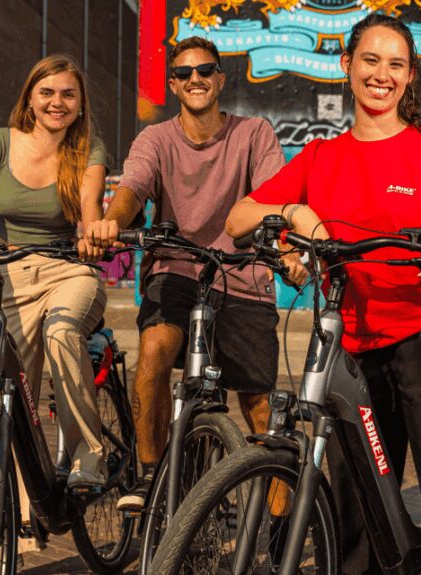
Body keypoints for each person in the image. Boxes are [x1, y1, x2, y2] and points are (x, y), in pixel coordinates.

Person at [225, 13, 421, 575]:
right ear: (347, 65)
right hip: (350, 349)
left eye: (396, 65)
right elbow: (238, 219)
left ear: (409, 76)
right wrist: (295, 211)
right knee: (359, 518)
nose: (382, 75)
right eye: (371, 60)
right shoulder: (320, 157)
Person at [87, 36, 304, 512]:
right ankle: (151, 477)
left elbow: (273, 198)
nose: (195, 79)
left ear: (220, 79)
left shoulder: (254, 133)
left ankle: (281, 526)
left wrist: (286, 250)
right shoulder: (156, 139)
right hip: (176, 268)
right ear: (173, 85)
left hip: (243, 273)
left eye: (205, 70)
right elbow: (134, 186)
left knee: (259, 405)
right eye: (184, 73)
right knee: (154, 349)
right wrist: (112, 222)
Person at [0, 54, 108, 555]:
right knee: (10, 395)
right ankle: (23, 515)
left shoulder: (87, 150)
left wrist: (94, 232)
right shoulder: (2, 143)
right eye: (47, 92)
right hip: (9, 277)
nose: (56, 103)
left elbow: (89, 210)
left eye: (67, 94)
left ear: (80, 103)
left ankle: (88, 456)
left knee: (62, 331)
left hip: (69, 272)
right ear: (30, 97)